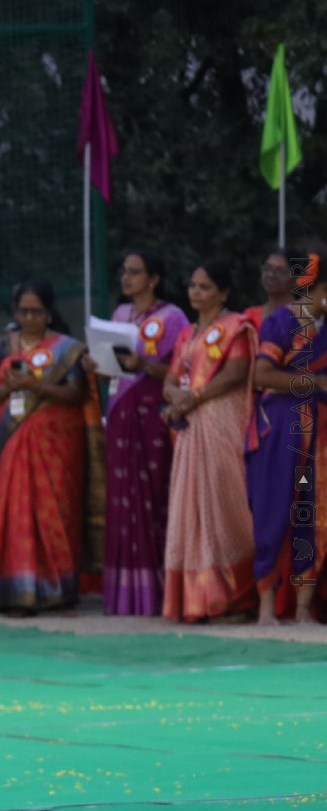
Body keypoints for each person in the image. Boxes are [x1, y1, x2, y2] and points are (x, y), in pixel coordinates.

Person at [0, 279, 97, 613]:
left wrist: (35, 386)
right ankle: (14, 590)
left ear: (48, 312)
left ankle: (57, 590)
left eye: (37, 312)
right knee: (16, 510)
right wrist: (5, 392)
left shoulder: (66, 348)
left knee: (55, 511)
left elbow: (77, 393)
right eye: (24, 311)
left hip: (56, 443)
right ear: (16, 312)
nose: (30, 318)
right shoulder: (1, 347)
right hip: (13, 437)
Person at [161, 260, 256, 621]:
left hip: (222, 424)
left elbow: (236, 373)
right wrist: (175, 399)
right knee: (190, 509)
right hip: (189, 429)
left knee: (224, 506)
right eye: (192, 286)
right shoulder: (186, 334)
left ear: (224, 292)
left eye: (204, 287)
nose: (195, 292)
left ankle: (233, 598)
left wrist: (194, 398)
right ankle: (198, 600)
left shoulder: (235, 327)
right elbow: (171, 378)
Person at [103, 249, 189, 615]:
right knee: (122, 501)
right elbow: (116, 369)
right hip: (122, 412)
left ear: (153, 279)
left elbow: (181, 369)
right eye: (124, 271)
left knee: (154, 498)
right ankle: (125, 597)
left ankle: (158, 593)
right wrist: (101, 362)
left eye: (135, 272)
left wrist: (145, 366)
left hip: (153, 414)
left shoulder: (173, 318)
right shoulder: (120, 315)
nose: (126, 278)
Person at [248, 254, 325, 622]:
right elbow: (262, 376)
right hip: (282, 433)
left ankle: (304, 609)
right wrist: (316, 383)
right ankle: (266, 608)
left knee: (308, 513)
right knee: (273, 512)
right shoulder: (282, 322)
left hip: (318, 440)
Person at [247, 248, 293, 334]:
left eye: (279, 271)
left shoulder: (301, 316)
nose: (271, 275)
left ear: (295, 278)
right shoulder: (250, 316)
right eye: (267, 269)